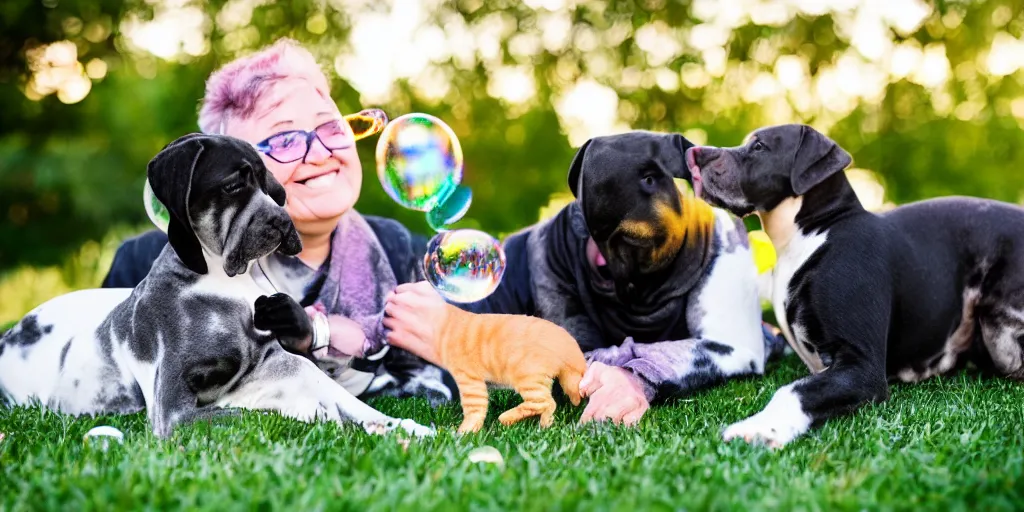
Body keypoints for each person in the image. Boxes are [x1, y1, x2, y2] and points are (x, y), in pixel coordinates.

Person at [100, 37, 483, 403]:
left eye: (330, 127)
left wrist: (447, 339)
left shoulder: (405, 254)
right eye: (284, 140)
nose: (319, 153)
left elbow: (491, 362)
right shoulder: (148, 265)